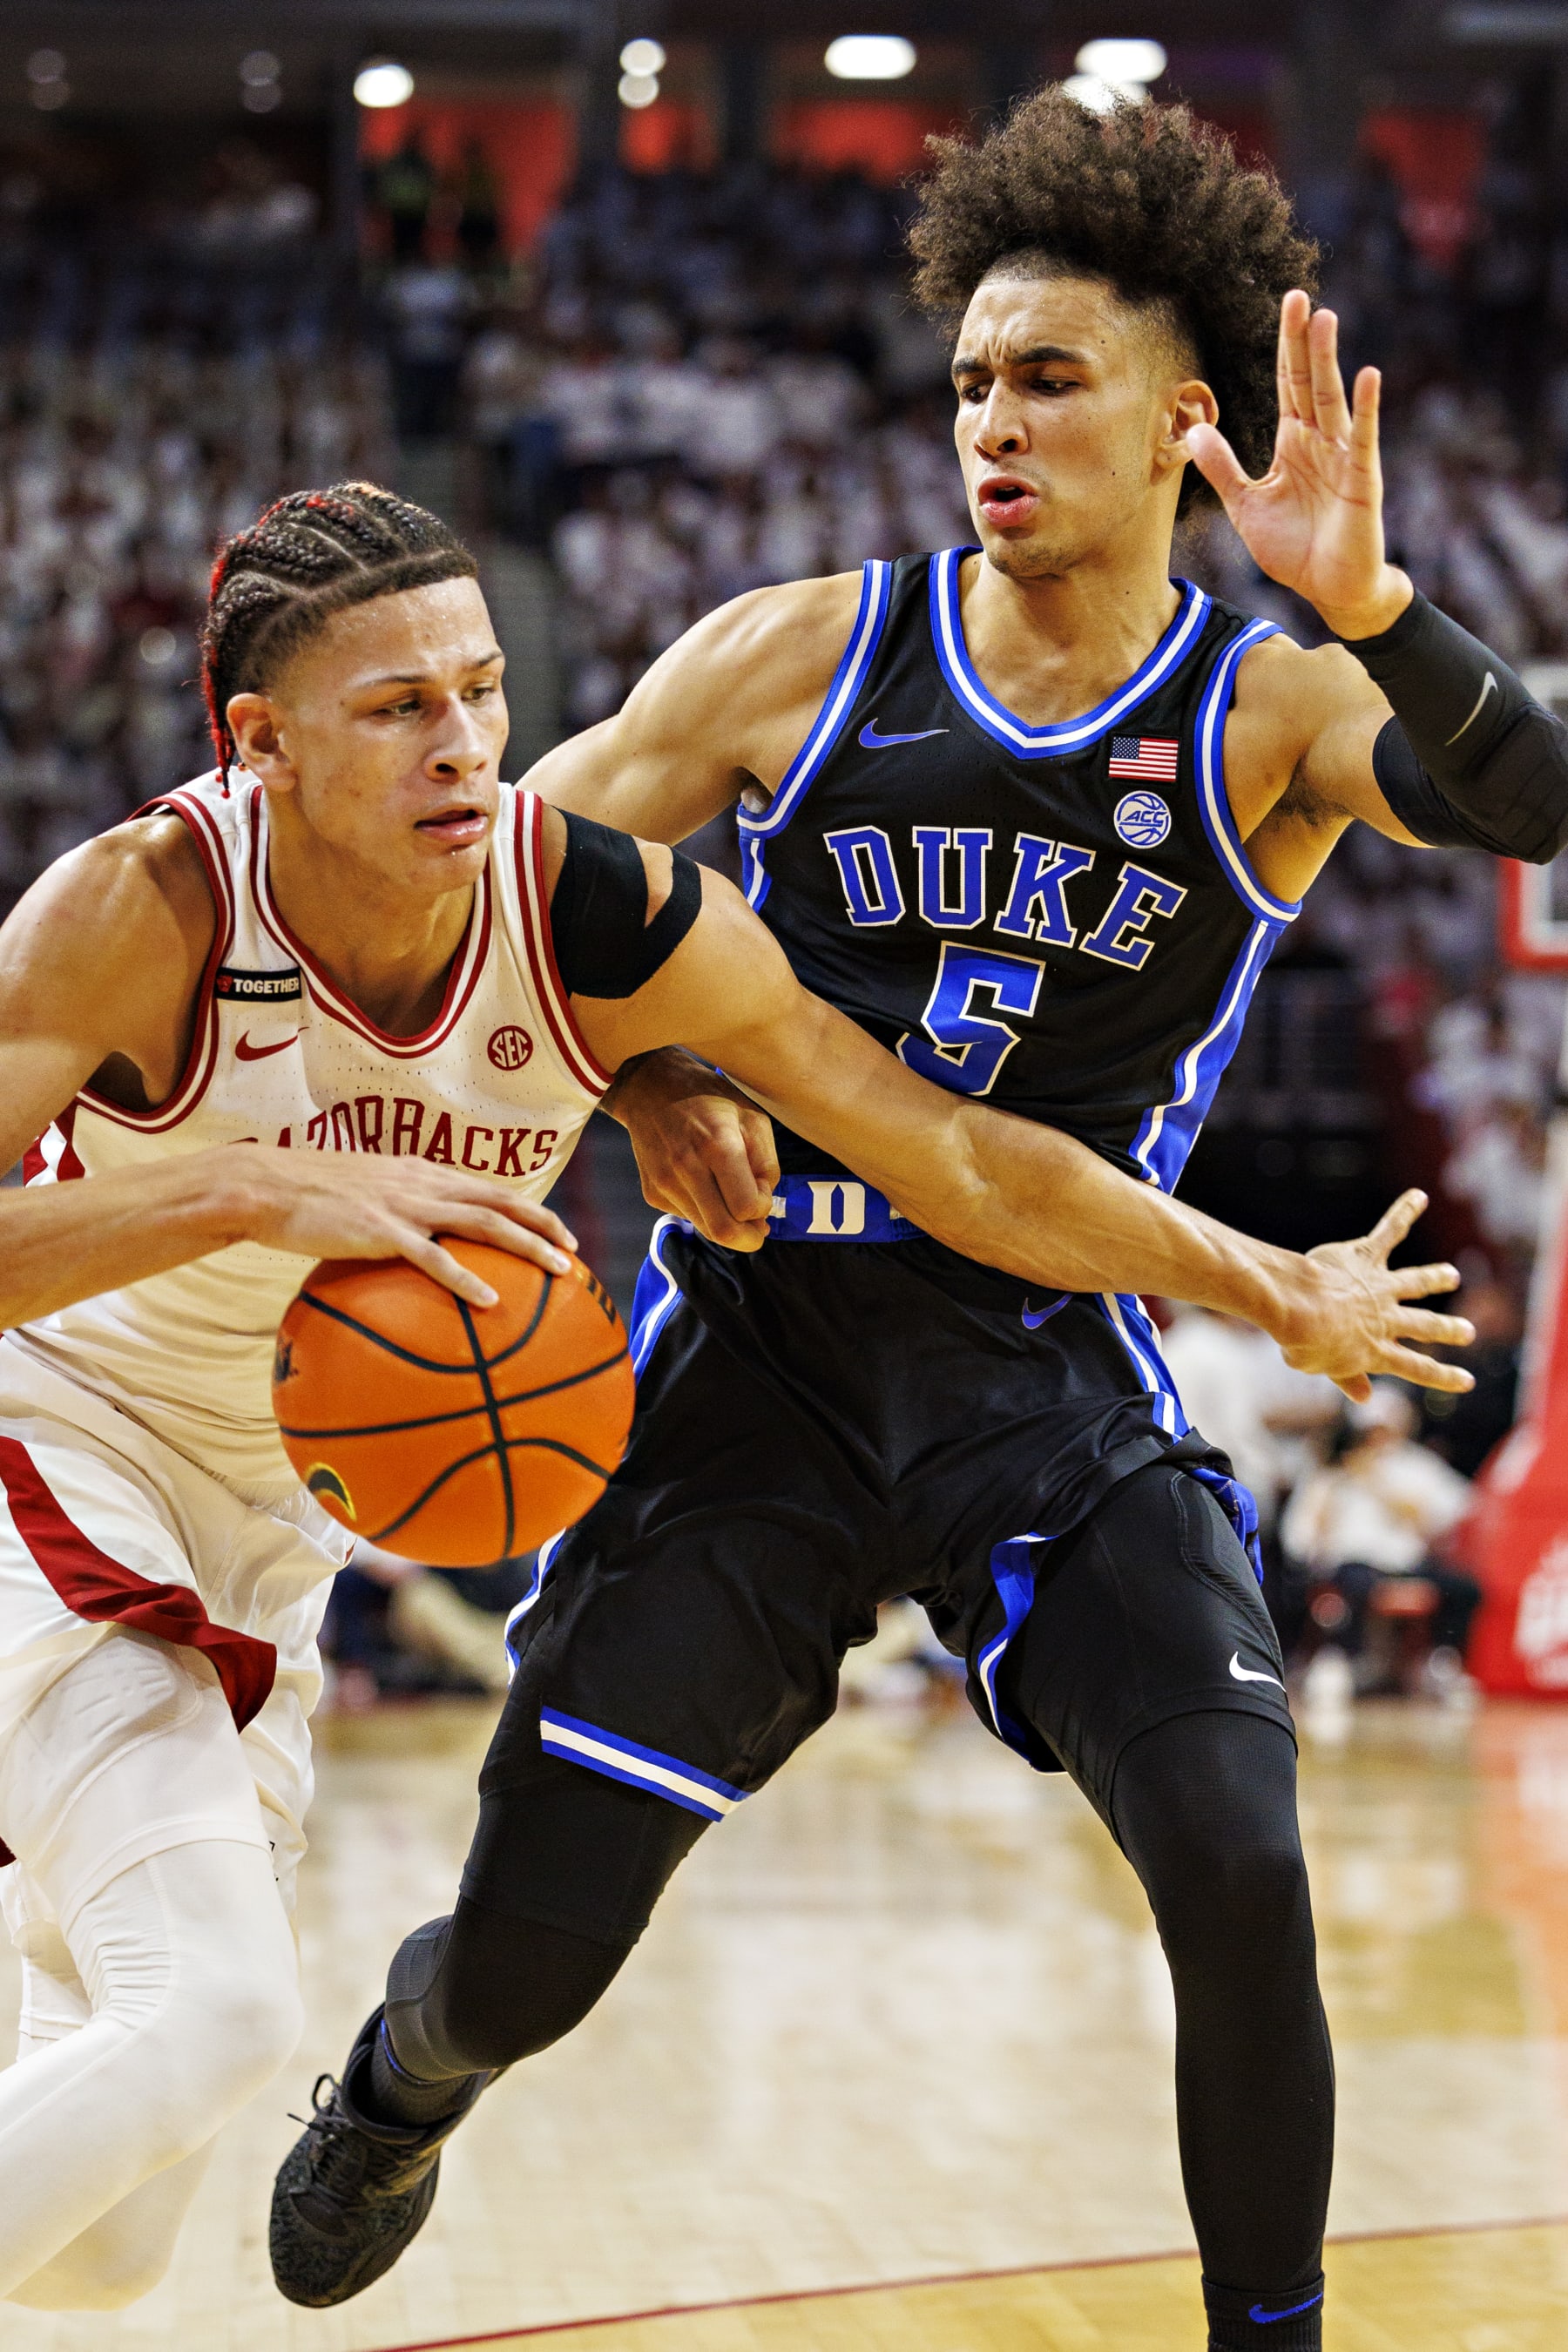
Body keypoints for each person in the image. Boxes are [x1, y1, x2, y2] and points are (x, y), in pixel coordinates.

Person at [271, 92, 1568, 2352]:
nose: (989, 417)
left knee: (1247, 1858)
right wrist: (660, 1067)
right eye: (969, 376)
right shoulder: (798, 652)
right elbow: (498, 898)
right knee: (525, 1961)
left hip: (1043, 1368)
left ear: (1184, 424)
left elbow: (1538, 791)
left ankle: (1273, 2328)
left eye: (1046, 376)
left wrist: (1375, 598)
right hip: (757, 1361)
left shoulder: (1264, 708)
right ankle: (407, 2067)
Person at [0, 471, 1451, 2316]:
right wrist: (251, 1188)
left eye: (481, 691)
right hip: (61, 1463)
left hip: (273, 1541)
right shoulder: (139, 908)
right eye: (399, 711)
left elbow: (960, 1156)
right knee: (212, 2017)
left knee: (104, 2244)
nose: (464, 747)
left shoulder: (598, 919)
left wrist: (1271, 1282)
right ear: (257, 742)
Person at [1281, 1385, 1482, 1689]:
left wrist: (1378, 1484)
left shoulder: (1420, 1466)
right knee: (1353, 1586)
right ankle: (1343, 1660)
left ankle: (1441, 1661)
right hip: (1354, 1564)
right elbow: (1300, 1535)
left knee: (1464, 1588)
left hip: (1406, 1563)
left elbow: (1458, 1508)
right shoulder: (1331, 1473)